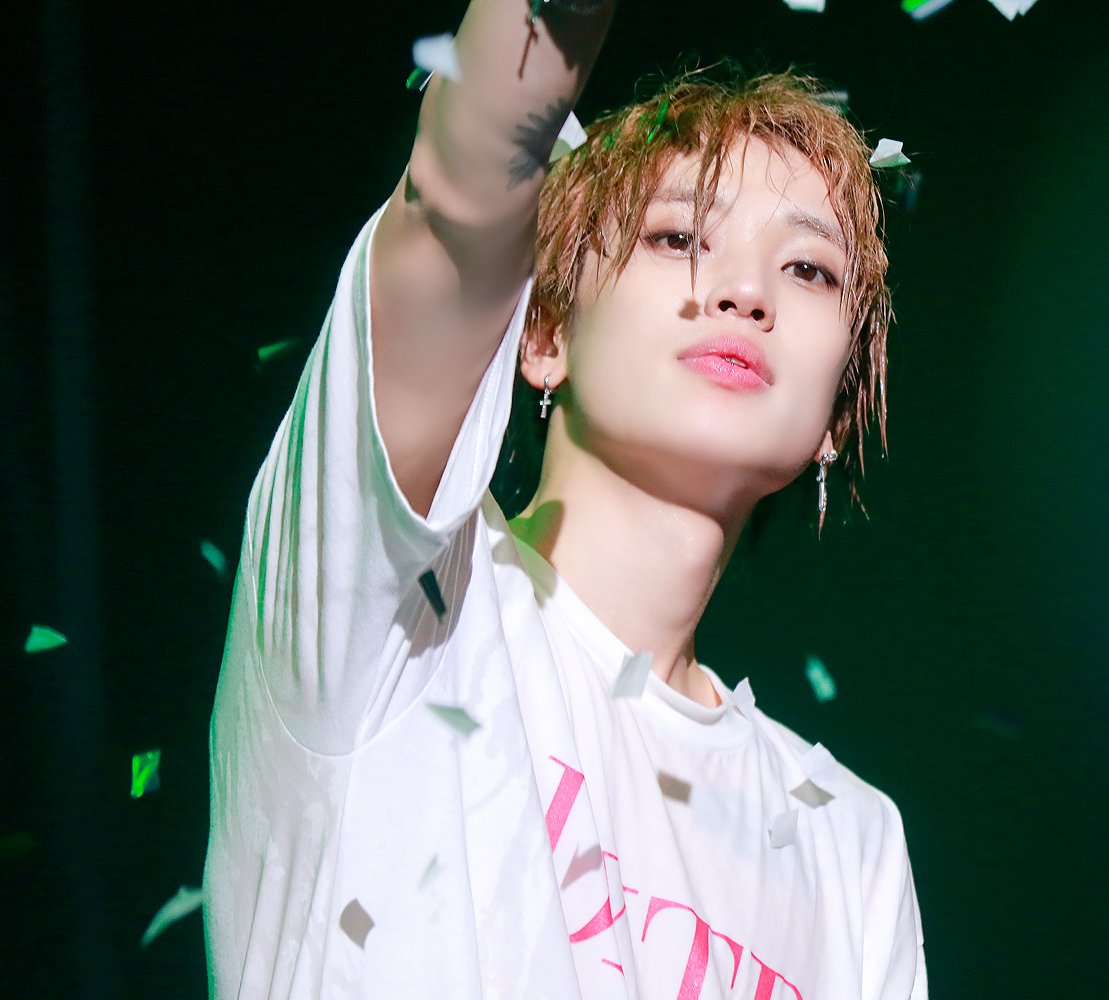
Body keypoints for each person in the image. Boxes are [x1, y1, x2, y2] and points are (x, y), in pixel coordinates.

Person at [203, 0, 927, 996]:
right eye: (678, 236)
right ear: (541, 331)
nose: (745, 292)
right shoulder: (393, 602)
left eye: (807, 267)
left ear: (836, 414)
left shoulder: (850, 842)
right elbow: (456, 202)